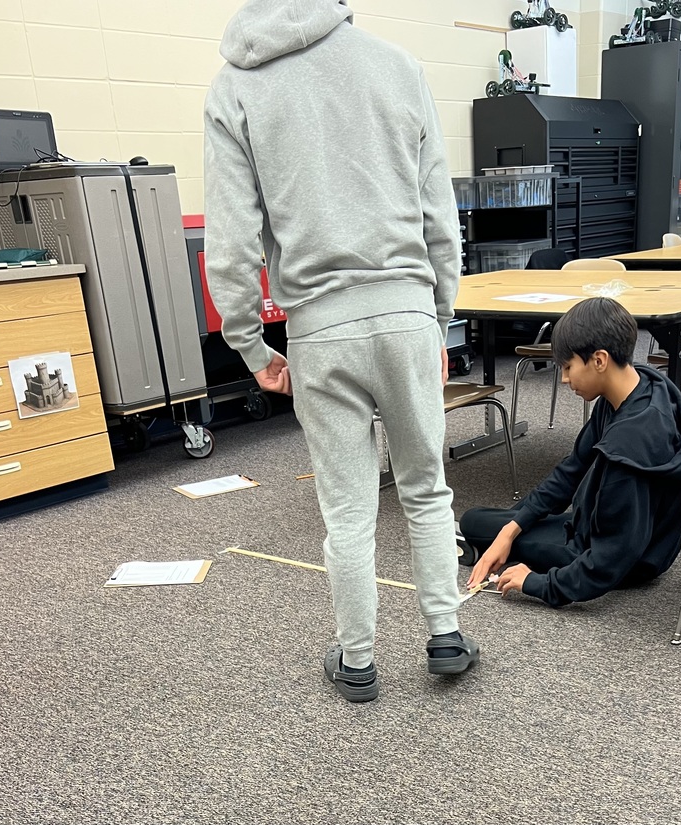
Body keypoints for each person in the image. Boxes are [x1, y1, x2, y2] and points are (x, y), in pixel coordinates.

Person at [203, 0, 478, 703]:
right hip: (407, 311)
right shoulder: (400, 67)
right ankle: (445, 632)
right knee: (424, 483)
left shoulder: (235, 86)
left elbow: (231, 244)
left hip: (319, 329)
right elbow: (439, 218)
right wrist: (439, 317)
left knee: (348, 509)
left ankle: (357, 661)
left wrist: (248, 344)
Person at [461, 297, 681, 607]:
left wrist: (536, 582)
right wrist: (510, 530)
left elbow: (610, 558)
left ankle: (517, 543)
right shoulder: (636, 388)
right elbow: (572, 470)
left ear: (599, 360)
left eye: (568, 366)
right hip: (606, 528)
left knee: (474, 526)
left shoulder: (631, 442)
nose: (564, 378)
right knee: (486, 523)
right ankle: (510, 533)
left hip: (621, 557)